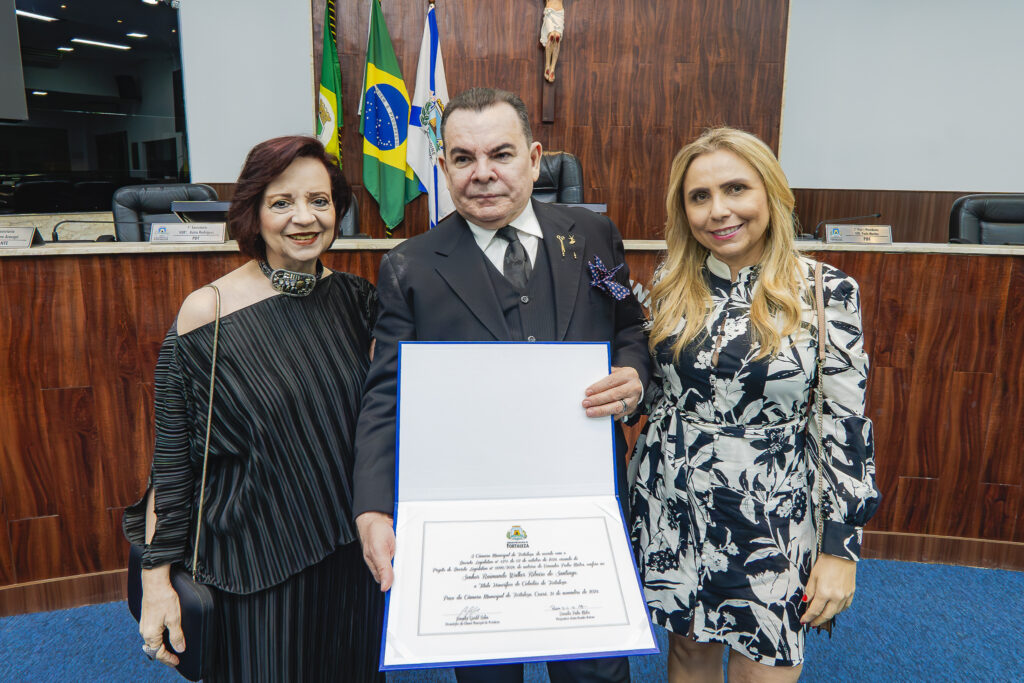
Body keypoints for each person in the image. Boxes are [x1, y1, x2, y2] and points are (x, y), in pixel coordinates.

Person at [353, 87, 650, 683]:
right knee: (487, 671)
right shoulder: (410, 266)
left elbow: (629, 326)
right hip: (471, 503)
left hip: (581, 497)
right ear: (442, 167)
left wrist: (634, 376)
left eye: (501, 154)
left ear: (535, 160)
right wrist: (372, 507)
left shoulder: (592, 239)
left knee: (593, 667)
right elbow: (388, 393)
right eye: (462, 158)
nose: (482, 174)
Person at [123, 136, 383, 682]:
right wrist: (155, 580)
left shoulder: (359, 301)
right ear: (253, 213)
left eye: (319, 200)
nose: (304, 218)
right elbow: (173, 462)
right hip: (256, 562)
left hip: (349, 557)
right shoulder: (207, 312)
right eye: (281, 202)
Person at [629, 127, 880, 682]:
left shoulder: (824, 289)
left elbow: (845, 425)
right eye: (700, 197)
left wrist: (841, 548)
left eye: (736, 189)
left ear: (770, 193)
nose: (718, 211)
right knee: (688, 653)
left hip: (772, 511)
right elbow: (655, 391)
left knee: (764, 665)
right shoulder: (670, 284)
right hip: (675, 501)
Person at [540, 0, 565, 82]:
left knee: (557, 38)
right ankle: (547, 65)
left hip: (559, 13)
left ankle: (552, 68)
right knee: (551, 37)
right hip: (549, 13)